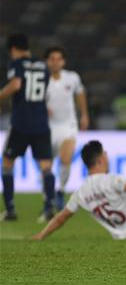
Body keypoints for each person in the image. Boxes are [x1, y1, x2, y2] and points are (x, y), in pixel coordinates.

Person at [0, 35, 56, 222]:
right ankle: (48, 207)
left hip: (21, 122)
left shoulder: (16, 64)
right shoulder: (43, 66)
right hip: (41, 122)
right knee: (45, 165)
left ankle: (10, 209)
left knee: (7, 162)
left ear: (13, 49)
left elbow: (16, 84)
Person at [44, 47, 89, 209]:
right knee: (46, 165)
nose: (55, 62)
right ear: (47, 61)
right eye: (52, 59)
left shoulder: (72, 78)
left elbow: (80, 93)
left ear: (63, 62)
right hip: (47, 126)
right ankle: (47, 197)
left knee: (66, 159)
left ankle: (61, 191)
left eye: (58, 59)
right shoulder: (41, 80)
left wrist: (84, 115)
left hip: (68, 125)